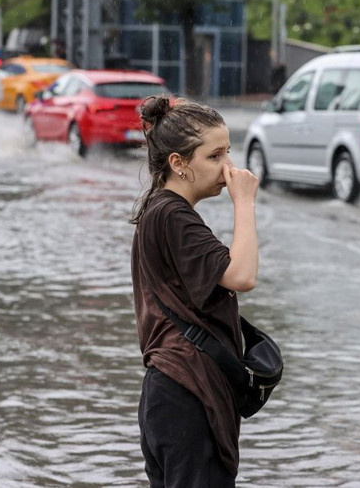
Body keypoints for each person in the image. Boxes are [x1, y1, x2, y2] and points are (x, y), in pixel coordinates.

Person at [130, 95, 260, 487]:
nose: (228, 168)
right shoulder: (173, 215)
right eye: (215, 156)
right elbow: (242, 276)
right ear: (178, 163)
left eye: (228, 152)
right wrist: (245, 203)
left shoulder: (161, 209)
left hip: (171, 390)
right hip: (187, 392)